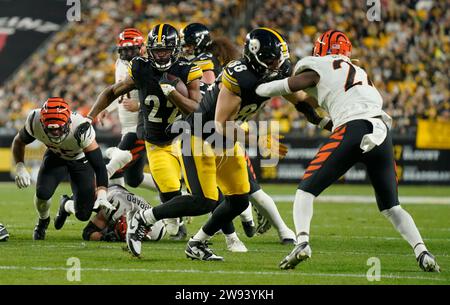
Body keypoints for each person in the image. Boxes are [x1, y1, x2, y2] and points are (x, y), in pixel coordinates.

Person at [125, 27, 325, 260]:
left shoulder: (273, 71)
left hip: (224, 141)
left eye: (279, 57)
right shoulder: (238, 75)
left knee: (240, 199)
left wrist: (329, 120)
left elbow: (302, 101)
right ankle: (143, 218)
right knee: (203, 201)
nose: (277, 63)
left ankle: (197, 243)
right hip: (201, 134)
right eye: (271, 58)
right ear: (256, 56)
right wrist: (257, 139)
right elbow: (221, 125)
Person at [255, 30, 440, 272]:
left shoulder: (319, 64)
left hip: (353, 127)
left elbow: (291, 85)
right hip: (381, 132)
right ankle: (422, 251)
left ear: (321, 50)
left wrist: (258, 88)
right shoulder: (359, 72)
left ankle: (302, 242)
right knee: (392, 207)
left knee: (305, 191)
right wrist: (320, 120)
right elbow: (319, 100)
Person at [86, 23, 203, 240]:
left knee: (206, 197)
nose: (160, 56)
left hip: (184, 138)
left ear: (175, 49)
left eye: (165, 50)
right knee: (165, 190)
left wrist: (174, 95)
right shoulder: (140, 67)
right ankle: (173, 224)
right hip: (156, 141)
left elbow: (198, 109)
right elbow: (112, 92)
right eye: (156, 51)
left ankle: (224, 234)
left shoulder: (188, 69)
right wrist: (90, 115)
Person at [181, 23, 295, 243]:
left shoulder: (205, 64)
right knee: (240, 189)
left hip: (218, 127)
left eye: (188, 45)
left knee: (237, 189)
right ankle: (251, 223)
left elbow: (204, 101)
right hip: (224, 124)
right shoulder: (228, 65)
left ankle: (254, 224)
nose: (185, 49)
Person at [12, 97, 113, 240]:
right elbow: (19, 141)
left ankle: (66, 204)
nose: (55, 134)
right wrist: (20, 166)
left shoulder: (81, 128)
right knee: (42, 193)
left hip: (80, 161)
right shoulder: (34, 119)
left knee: (83, 214)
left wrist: (102, 193)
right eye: (51, 129)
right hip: (55, 157)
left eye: (59, 128)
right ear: (42, 123)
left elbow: (99, 166)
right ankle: (43, 221)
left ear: (68, 122)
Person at [98, 28, 157, 192]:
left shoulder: (149, 66)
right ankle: (178, 194)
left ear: (143, 47)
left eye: (132, 49)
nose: (128, 53)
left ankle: (117, 213)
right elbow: (120, 92)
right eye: (124, 50)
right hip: (128, 128)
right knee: (134, 178)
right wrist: (108, 108)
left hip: (140, 127)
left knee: (115, 167)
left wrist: (138, 106)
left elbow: (161, 98)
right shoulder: (120, 63)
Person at [82, 184, 165, 242]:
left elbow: (88, 233)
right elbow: (88, 231)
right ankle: (69, 203)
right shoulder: (114, 206)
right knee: (83, 208)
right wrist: (104, 237)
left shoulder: (157, 231)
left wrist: (105, 238)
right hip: (113, 191)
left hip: (129, 205)